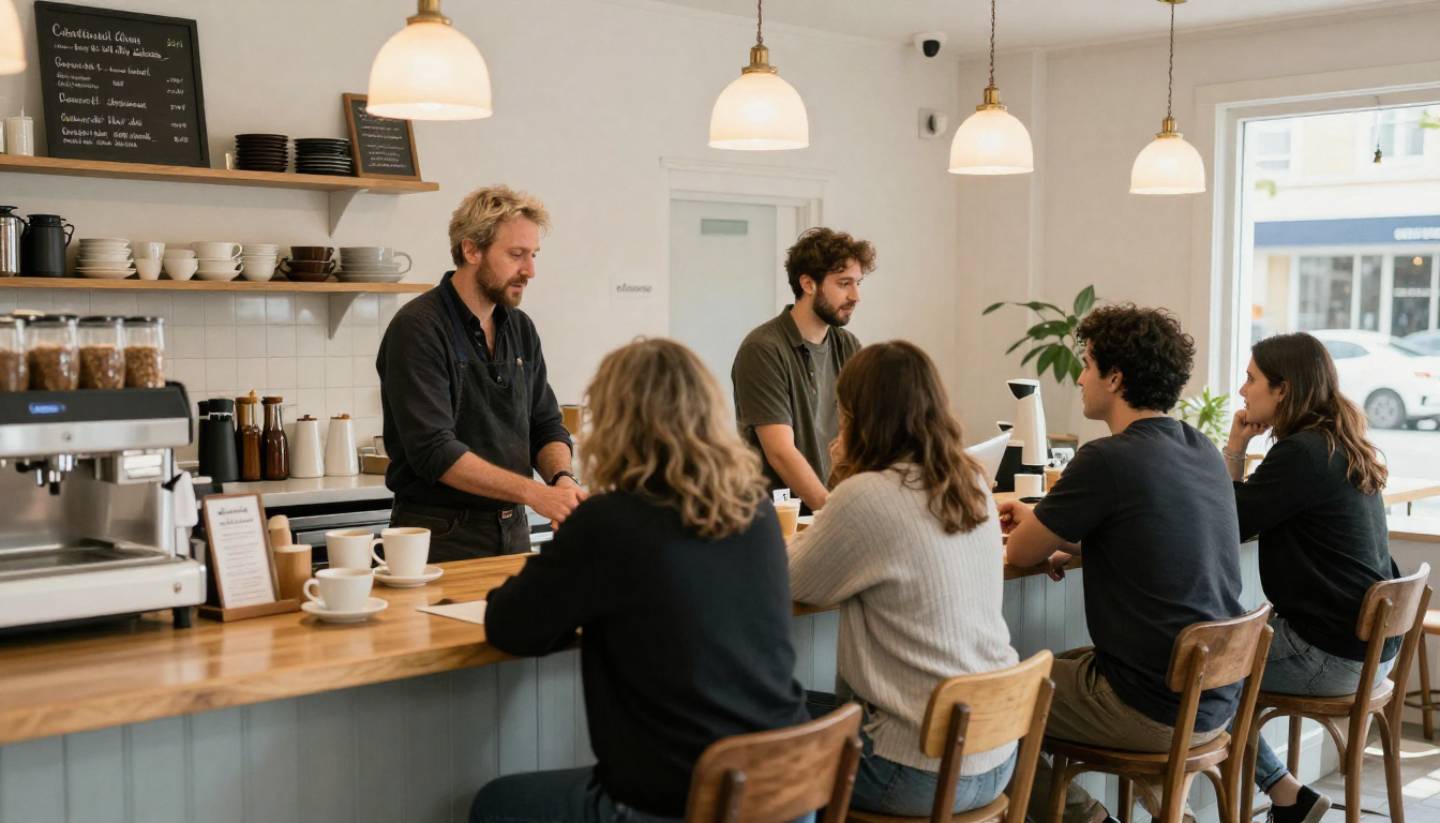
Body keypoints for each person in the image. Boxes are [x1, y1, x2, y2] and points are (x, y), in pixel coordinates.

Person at [472, 338, 810, 823]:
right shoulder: (754, 510)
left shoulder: (610, 522)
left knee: (495, 805)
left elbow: (509, 626)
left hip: (681, 803)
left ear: (614, 423)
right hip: (789, 795)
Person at [1001, 304, 1244, 823]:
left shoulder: (1107, 458)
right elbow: (1152, 533)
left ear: (1115, 377)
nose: (1081, 378)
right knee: (1045, 667)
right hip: (1213, 698)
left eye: (1087, 364)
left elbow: (1020, 552)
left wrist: (1040, 530)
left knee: (997, 698)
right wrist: (1072, 538)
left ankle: (1089, 819)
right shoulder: (1200, 447)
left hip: (1150, 705)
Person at [789, 341, 1020, 816]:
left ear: (856, 415)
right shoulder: (972, 482)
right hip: (997, 759)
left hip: (912, 771)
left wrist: (843, 476)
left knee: (760, 719)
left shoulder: (866, 494)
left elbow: (789, 581)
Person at [1225, 332, 1400, 823]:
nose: (1243, 391)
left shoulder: (1302, 453)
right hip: (1367, 651)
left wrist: (1235, 445)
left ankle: (1283, 793)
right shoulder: (1338, 442)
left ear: (1283, 389)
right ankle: (1287, 793)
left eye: (1251, 378)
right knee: (1214, 660)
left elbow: (1232, 521)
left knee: (1201, 672)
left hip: (1330, 653)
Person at [377, 185, 583, 560]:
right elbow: (434, 451)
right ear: (471, 250)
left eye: (533, 255)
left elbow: (546, 426)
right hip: (439, 533)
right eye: (516, 255)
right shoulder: (418, 328)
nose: (530, 271)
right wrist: (536, 493)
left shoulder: (521, 328)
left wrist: (562, 480)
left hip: (513, 528)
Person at [732, 227, 875, 512]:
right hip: (781, 516)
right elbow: (780, 452)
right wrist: (831, 512)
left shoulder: (847, 345)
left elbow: (860, 433)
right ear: (808, 284)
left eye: (858, 283)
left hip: (836, 507)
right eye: (844, 283)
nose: (856, 295)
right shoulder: (763, 349)